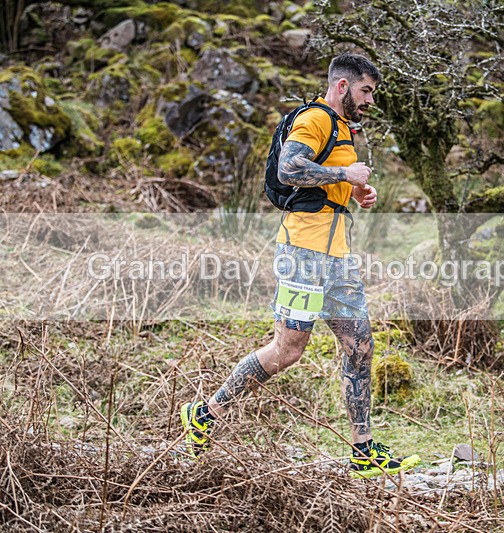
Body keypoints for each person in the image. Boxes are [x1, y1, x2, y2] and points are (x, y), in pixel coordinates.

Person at [180, 52, 420, 478]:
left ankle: (363, 452)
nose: (370, 100)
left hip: (338, 257)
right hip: (303, 254)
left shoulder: (344, 129)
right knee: (288, 350)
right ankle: (206, 414)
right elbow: (290, 168)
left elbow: (324, 178)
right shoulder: (317, 118)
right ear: (343, 86)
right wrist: (345, 175)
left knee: (360, 346)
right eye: (366, 91)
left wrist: (352, 192)